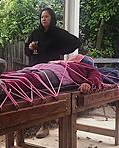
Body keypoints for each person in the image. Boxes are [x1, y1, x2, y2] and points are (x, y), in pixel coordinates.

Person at [24, 7, 82, 138]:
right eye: (42, 17)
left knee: (48, 96)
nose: (43, 19)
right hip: (37, 67)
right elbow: (27, 51)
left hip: (51, 70)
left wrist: (61, 50)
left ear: (52, 18)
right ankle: (36, 123)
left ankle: (45, 125)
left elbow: (76, 42)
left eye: (46, 16)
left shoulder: (58, 33)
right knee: (35, 95)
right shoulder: (35, 33)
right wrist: (30, 48)